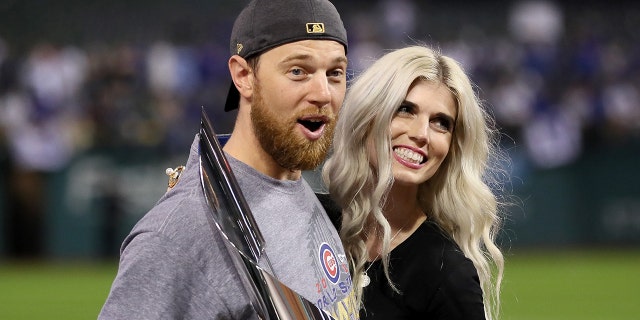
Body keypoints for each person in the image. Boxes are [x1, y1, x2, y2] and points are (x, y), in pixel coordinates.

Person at [99, 0, 359, 319]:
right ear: (243, 75)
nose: (323, 93)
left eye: (335, 73)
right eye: (298, 71)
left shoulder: (297, 188)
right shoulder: (179, 235)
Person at [322, 45, 507, 319]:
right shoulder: (316, 223)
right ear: (367, 116)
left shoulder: (446, 273)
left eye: (441, 123)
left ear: (451, 148)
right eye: (405, 109)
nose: (422, 134)